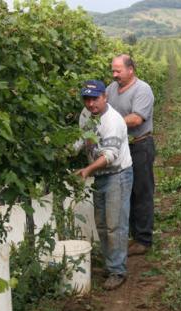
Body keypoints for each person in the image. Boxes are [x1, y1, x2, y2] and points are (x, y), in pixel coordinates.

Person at [75, 80, 133, 290]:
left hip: (117, 175)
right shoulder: (85, 114)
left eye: (95, 98)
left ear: (105, 97)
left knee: (115, 224)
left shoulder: (113, 121)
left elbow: (109, 156)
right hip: (101, 175)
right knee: (101, 222)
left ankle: (118, 270)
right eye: (86, 99)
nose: (90, 104)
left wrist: (87, 170)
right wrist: (65, 150)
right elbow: (83, 138)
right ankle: (111, 265)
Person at [106, 54, 156, 256]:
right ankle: (132, 235)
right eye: (113, 70)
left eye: (118, 70)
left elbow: (136, 119)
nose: (114, 74)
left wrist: (110, 124)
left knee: (141, 192)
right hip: (120, 147)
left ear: (130, 69)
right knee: (125, 191)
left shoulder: (142, 89)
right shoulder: (111, 89)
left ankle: (143, 239)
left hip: (139, 146)